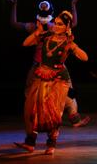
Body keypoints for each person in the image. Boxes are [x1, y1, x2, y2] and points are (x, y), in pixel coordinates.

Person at [6, 0, 90, 128]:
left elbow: (15, 24)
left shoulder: (37, 27)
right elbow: (73, 23)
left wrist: (14, 6)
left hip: (47, 66)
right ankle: (58, 118)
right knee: (44, 93)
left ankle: (51, 118)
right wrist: (73, 5)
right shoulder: (46, 27)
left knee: (36, 92)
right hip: (46, 67)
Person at [15, 11, 88, 155]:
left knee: (53, 113)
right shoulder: (45, 36)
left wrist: (73, 47)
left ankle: (51, 144)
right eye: (55, 23)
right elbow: (25, 43)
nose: (55, 26)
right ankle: (30, 142)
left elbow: (85, 58)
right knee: (31, 109)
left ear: (67, 27)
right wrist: (38, 32)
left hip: (59, 80)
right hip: (41, 76)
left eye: (60, 24)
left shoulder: (68, 42)